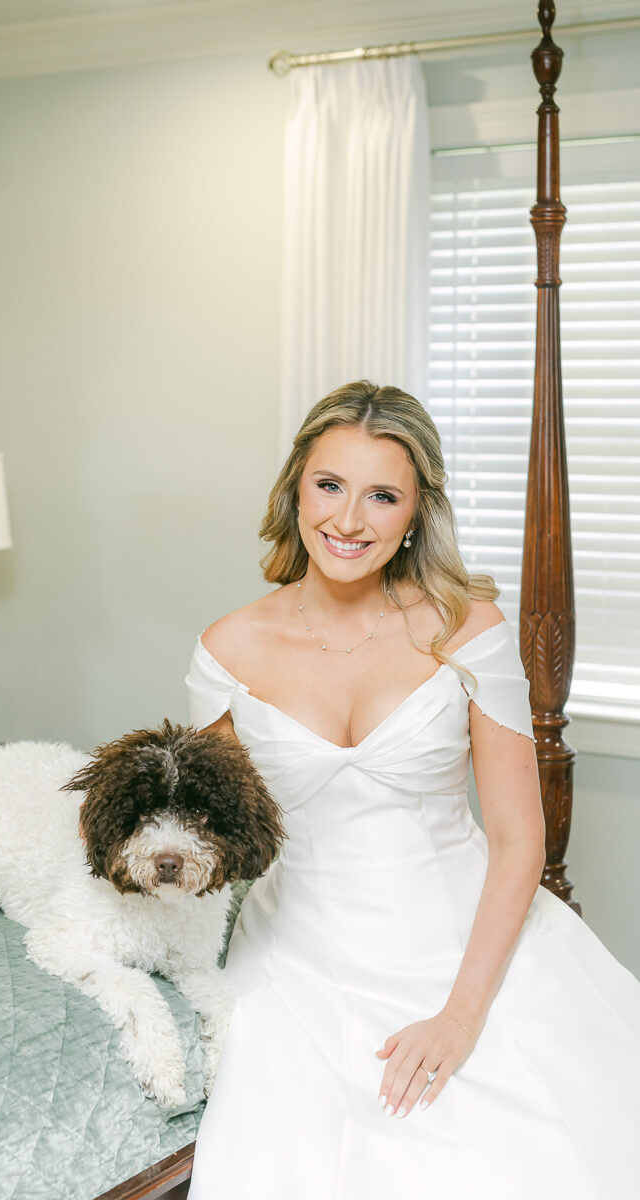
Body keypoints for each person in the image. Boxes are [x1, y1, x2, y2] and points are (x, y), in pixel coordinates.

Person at [184, 381, 640, 1199]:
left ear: (415, 512)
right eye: (329, 486)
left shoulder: (469, 628)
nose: (347, 520)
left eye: (381, 495)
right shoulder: (229, 648)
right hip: (296, 960)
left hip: (465, 944)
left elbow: (518, 839)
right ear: (296, 487)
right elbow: (211, 838)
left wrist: (462, 1017)